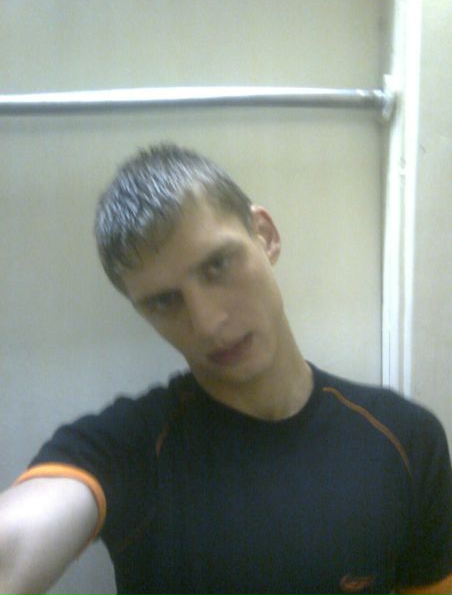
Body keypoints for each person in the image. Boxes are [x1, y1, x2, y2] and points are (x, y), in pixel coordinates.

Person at [0, 144, 450, 595]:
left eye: (217, 265)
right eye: (164, 301)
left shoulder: (406, 439)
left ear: (265, 235)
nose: (208, 323)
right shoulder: (130, 448)